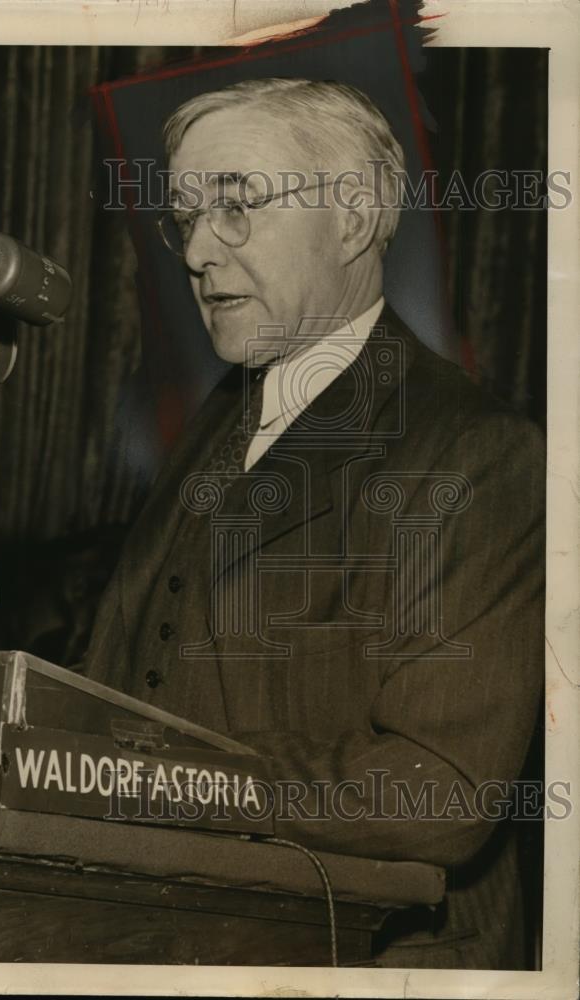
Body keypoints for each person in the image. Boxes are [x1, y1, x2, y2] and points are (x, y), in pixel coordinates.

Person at [83, 78, 545, 969]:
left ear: (354, 219)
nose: (197, 251)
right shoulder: (222, 416)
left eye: (237, 205)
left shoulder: (480, 455)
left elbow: (440, 789)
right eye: (186, 216)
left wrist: (147, 780)